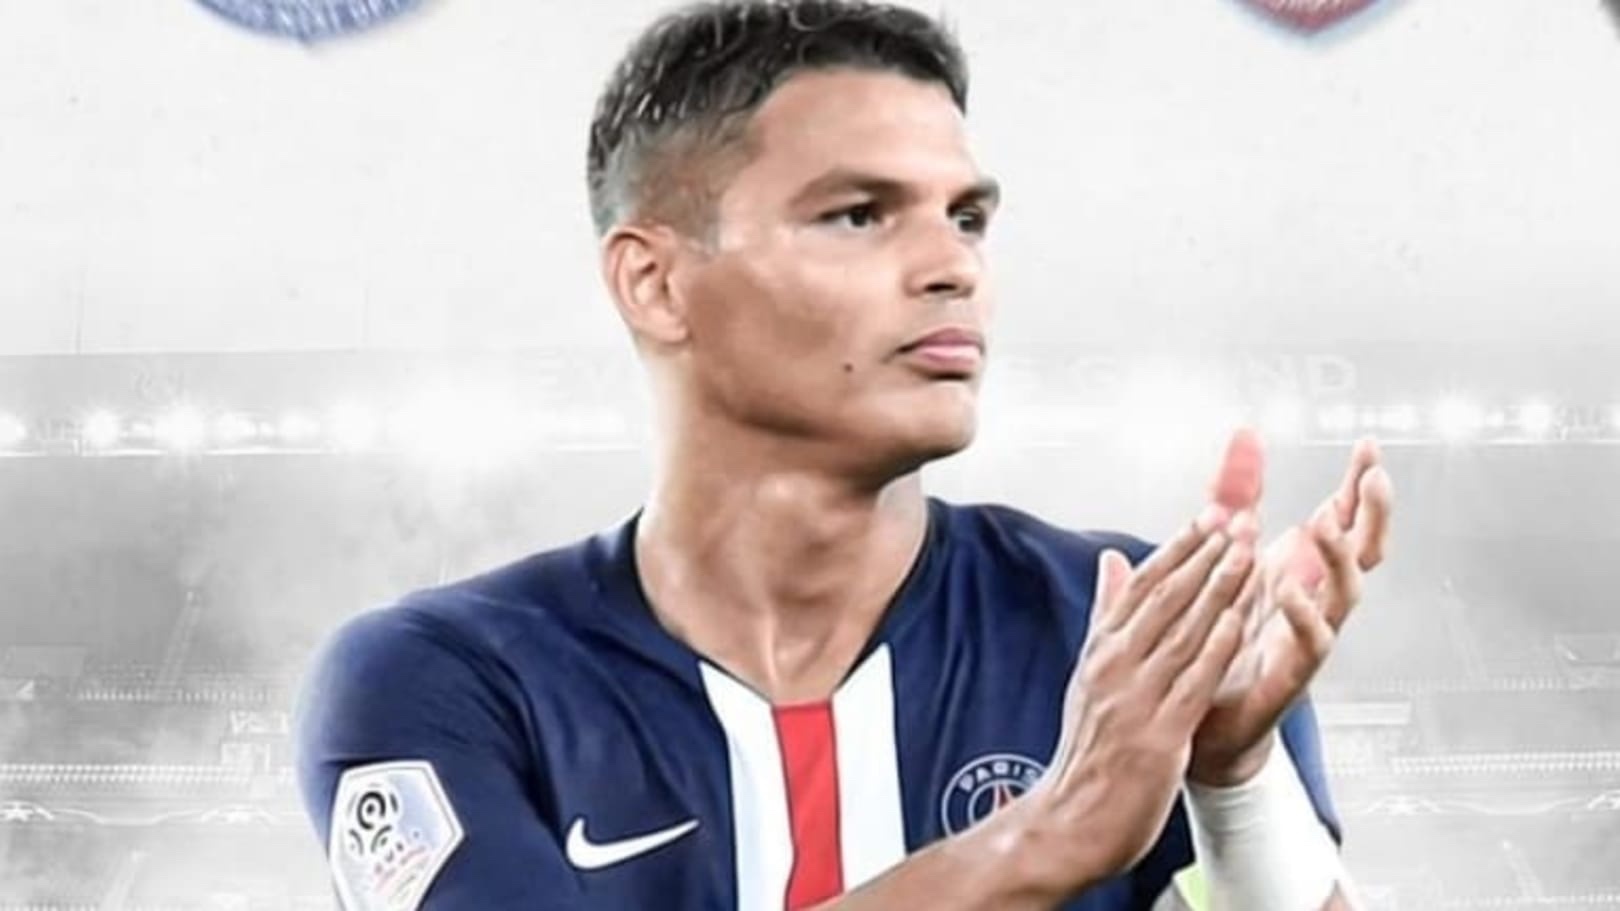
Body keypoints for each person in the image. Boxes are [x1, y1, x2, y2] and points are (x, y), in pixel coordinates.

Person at [293, 2, 1395, 909]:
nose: (953, 266)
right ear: (655, 282)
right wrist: (1043, 838)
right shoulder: (444, 677)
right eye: (860, 215)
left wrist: (1233, 777)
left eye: (968, 217)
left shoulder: (1122, 628)